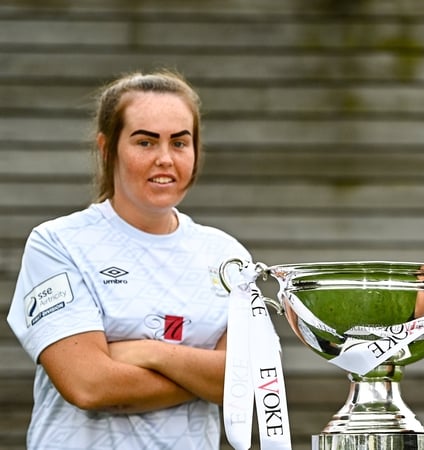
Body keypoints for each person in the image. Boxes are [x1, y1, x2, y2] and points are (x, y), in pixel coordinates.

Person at [7, 70, 251, 449]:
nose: (165, 159)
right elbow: (89, 385)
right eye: (145, 142)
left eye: (179, 142)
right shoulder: (58, 244)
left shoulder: (227, 256)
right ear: (107, 149)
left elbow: (250, 382)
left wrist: (147, 352)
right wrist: (206, 377)